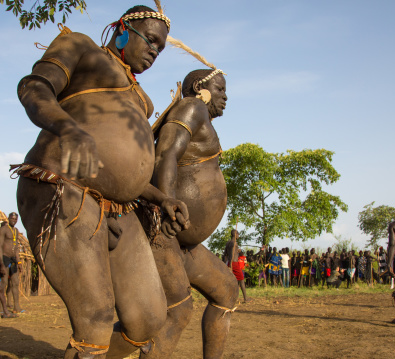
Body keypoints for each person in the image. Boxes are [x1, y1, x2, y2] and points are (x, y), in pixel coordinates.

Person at [13, 5, 190, 357]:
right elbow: (33, 86)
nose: (155, 50)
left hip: (117, 208)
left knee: (148, 318)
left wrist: (160, 198)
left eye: (161, 47)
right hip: (63, 186)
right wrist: (66, 126)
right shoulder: (81, 46)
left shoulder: (141, 99)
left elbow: (125, 171)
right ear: (123, 29)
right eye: (151, 40)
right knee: (95, 317)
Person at [148, 66, 239, 358]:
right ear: (200, 87)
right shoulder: (191, 106)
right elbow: (165, 154)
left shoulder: (199, 116)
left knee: (226, 289)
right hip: (164, 233)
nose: (225, 96)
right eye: (221, 89)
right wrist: (168, 207)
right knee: (177, 310)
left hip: (185, 243)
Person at [0, 213, 22, 318]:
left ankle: (16, 307)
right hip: (4, 258)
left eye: (15, 219)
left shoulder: (16, 231)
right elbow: (0, 246)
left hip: (13, 259)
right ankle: (2, 309)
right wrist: (0, 263)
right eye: (12, 218)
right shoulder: (4, 229)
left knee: (15, 282)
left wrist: (19, 262)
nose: (14, 220)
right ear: (8, 219)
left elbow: (16, 247)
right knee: (3, 283)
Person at [224, 230, 250, 303]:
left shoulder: (228, 243)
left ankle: (228, 298)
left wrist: (227, 264)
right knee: (241, 279)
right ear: (235, 234)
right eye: (238, 233)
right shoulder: (234, 243)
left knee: (230, 281)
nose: (238, 235)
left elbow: (225, 254)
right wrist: (232, 265)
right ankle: (246, 298)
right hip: (234, 263)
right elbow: (232, 255)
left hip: (229, 262)